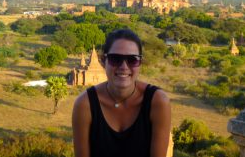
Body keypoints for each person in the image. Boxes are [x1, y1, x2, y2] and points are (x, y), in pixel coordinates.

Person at [72, 29, 171, 157]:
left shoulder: (157, 102)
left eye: (132, 60)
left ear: (140, 63)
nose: (124, 66)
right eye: (115, 59)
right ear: (103, 61)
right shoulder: (85, 104)